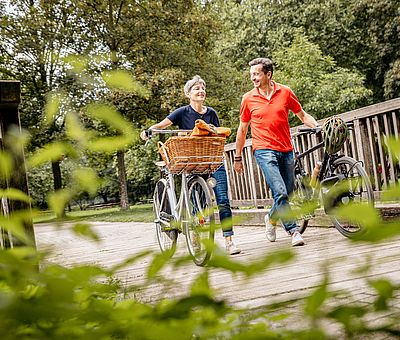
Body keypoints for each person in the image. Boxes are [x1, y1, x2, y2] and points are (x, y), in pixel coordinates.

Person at [141, 75, 241, 255]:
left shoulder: (211, 113)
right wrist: (149, 131)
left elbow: (217, 135)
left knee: (223, 200)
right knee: (197, 204)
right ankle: (195, 236)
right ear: (188, 93)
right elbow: (163, 125)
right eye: (196, 88)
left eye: (203, 88)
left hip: (212, 160)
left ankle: (229, 240)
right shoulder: (182, 112)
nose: (201, 91)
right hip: (192, 162)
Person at [234, 58, 318, 246]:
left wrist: (318, 126)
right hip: (263, 150)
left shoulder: (285, 92)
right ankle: (293, 231)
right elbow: (242, 129)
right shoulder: (248, 98)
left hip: (286, 149)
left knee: (287, 192)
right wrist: (238, 157)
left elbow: (302, 115)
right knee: (279, 191)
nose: (253, 78)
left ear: (268, 74)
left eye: (256, 74)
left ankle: (270, 219)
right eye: (251, 75)